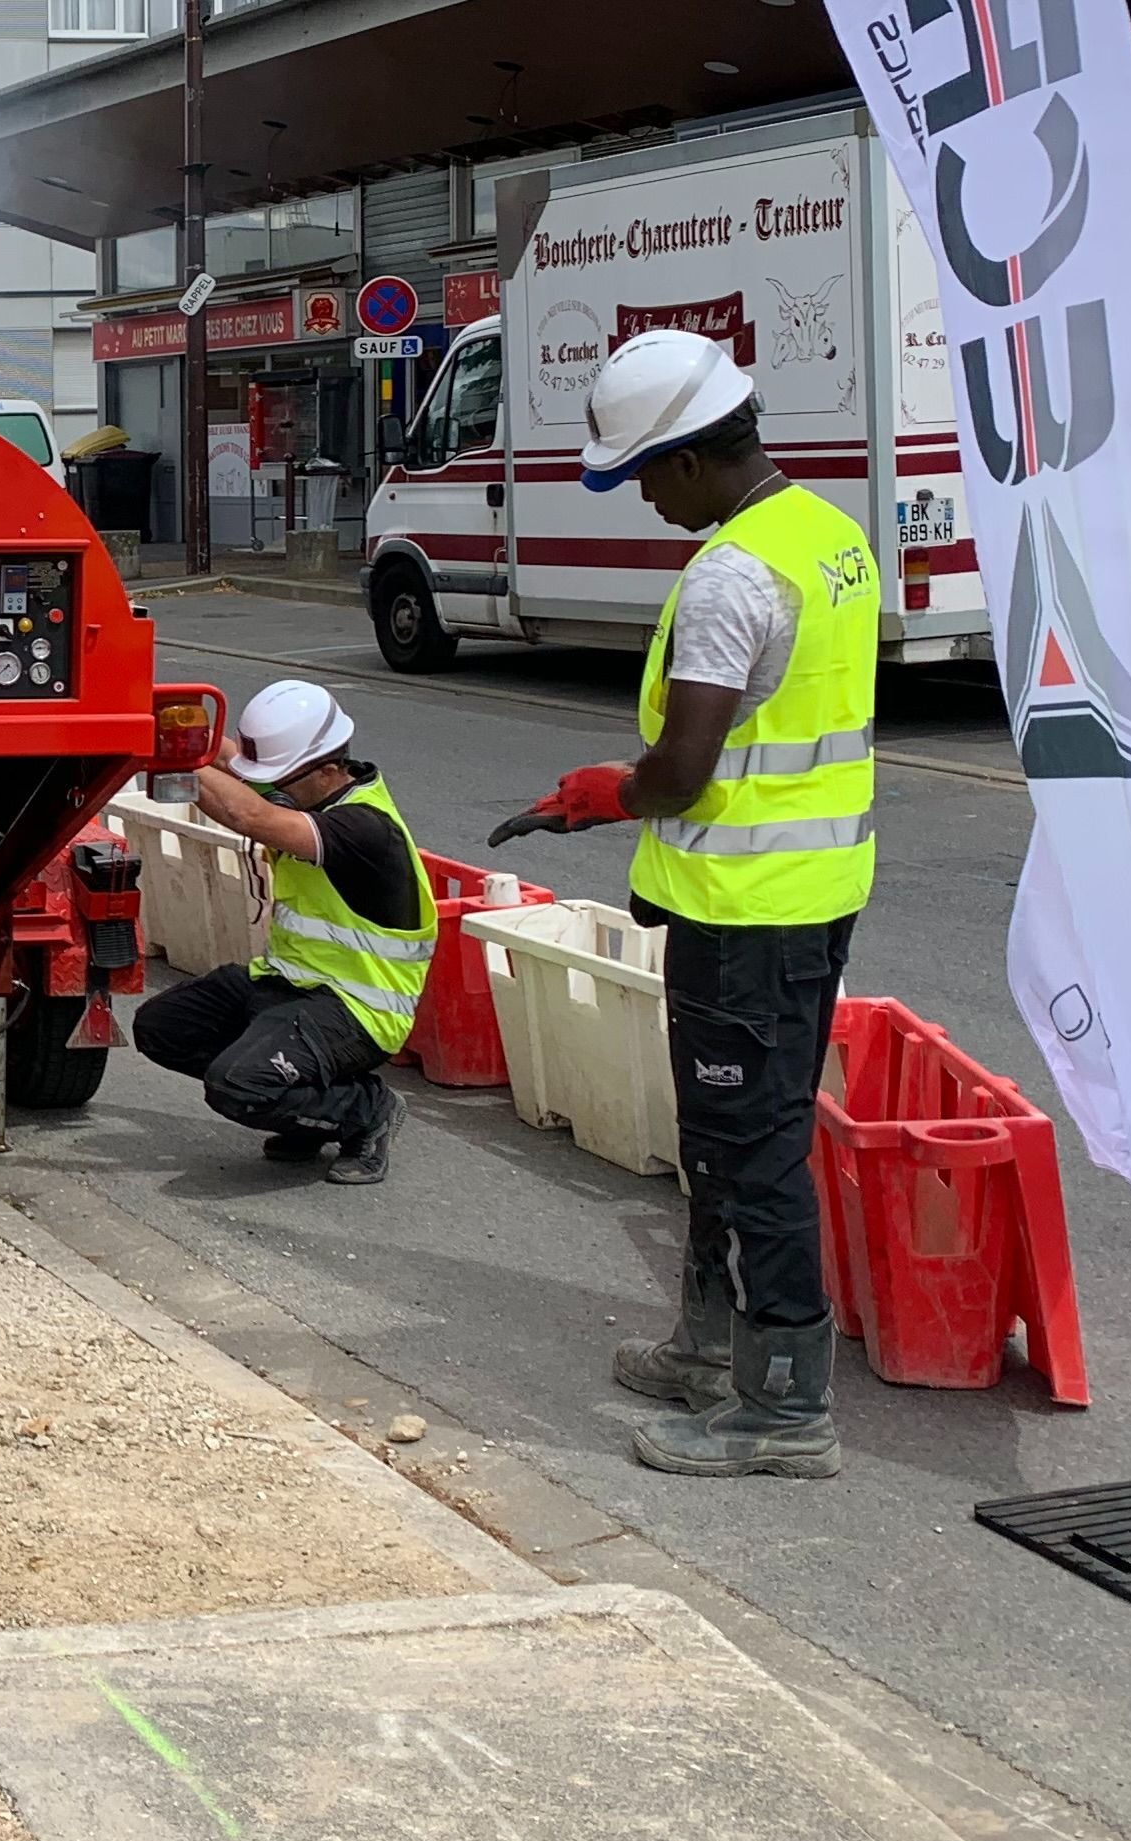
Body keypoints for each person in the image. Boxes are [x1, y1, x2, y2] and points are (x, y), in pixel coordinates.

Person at [492, 328, 877, 1479]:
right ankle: (710, 1346)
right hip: (811, 898)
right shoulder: (829, 537)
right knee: (733, 1139)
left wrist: (602, 796)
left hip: (744, 913)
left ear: (696, 454)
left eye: (646, 474)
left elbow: (685, 772)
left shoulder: (729, 575)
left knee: (749, 1153)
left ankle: (784, 1407)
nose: (645, 497)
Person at [137, 678, 432, 1187]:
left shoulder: (363, 828)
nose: (270, 787)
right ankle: (298, 1097)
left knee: (237, 1087)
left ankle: (364, 1109)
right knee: (162, 1027)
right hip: (288, 984)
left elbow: (247, 812)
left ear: (327, 770)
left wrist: (175, 755)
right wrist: (158, 717)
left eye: (279, 778)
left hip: (356, 1010)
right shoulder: (312, 791)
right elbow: (234, 767)